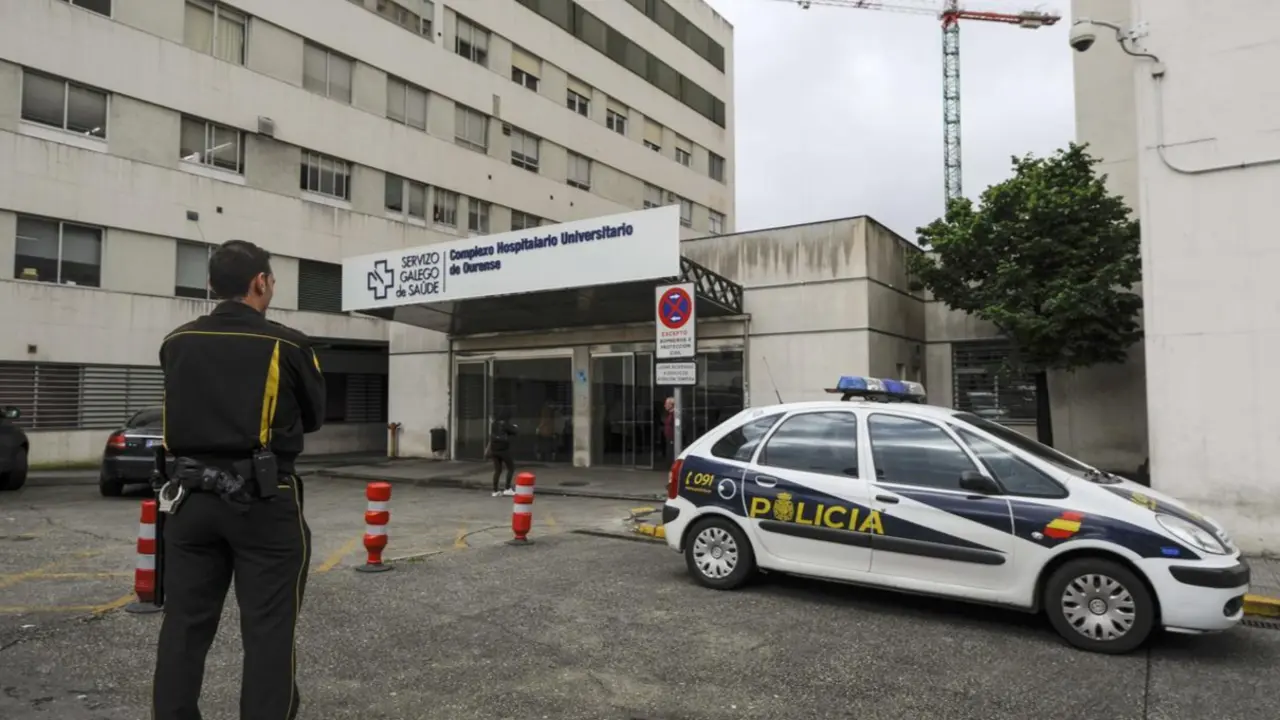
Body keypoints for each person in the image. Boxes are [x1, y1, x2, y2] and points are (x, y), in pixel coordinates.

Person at [151, 239, 326, 720]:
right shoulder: (288, 344)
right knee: (268, 629)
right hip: (262, 499)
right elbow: (313, 417)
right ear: (261, 282)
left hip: (188, 500)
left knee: (184, 625)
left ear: (211, 285)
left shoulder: (176, 341)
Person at [490, 409, 517, 496]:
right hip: (503, 450)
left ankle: (495, 491)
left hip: (494, 450)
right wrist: (514, 427)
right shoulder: (505, 424)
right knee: (511, 468)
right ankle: (507, 488)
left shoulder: (493, 424)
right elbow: (515, 432)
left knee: (497, 470)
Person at [662, 396, 676, 463]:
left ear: (671, 404)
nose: (664, 405)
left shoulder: (674, 414)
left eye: (666, 404)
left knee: (671, 453)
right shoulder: (669, 414)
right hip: (669, 437)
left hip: (672, 438)